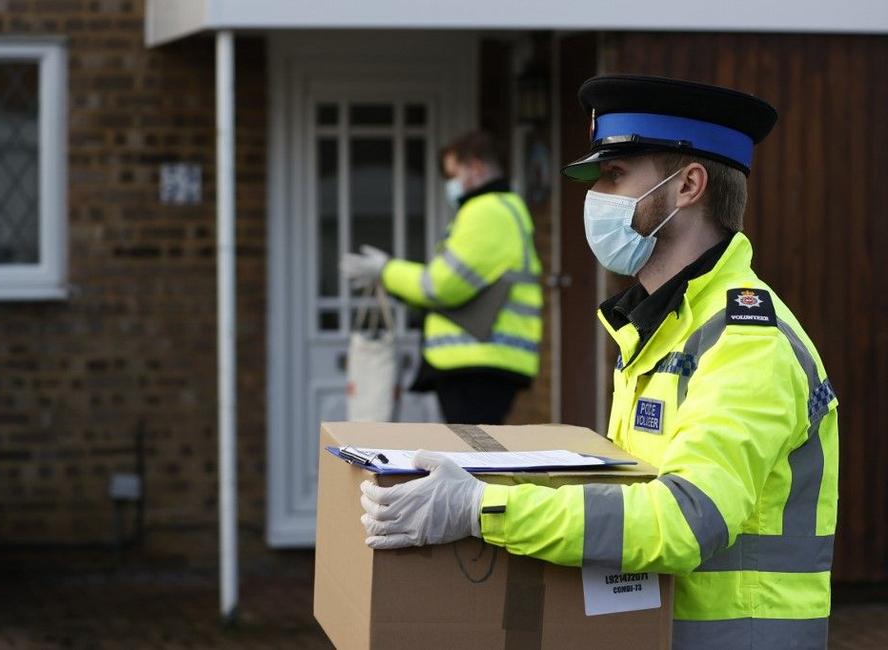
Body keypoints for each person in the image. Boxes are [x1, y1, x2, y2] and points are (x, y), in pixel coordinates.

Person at [358, 75, 839, 649]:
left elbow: (683, 522)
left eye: (614, 176)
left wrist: (481, 507)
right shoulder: (661, 327)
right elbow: (631, 500)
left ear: (688, 186)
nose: (595, 198)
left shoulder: (745, 341)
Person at [340, 131, 543, 425]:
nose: (450, 184)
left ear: (475, 167)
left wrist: (386, 270)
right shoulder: (502, 209)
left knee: (470, 452)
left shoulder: (486, 211)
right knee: (473, 450)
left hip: (477, 362)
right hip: (484, 360)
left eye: (452, 174)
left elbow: (440, 286)